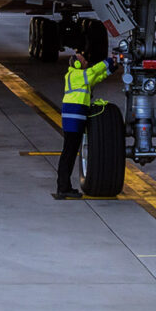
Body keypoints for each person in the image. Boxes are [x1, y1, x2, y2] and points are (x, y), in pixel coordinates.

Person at [54, 46, 111, 199]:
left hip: (75, 117)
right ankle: (63, 188)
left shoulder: (80, 77)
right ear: (77, 64)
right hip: (74, 117)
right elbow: (92, 73)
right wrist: (108, 61)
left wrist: (111, 69)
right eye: (83, 60)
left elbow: (96, 78)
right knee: (68, 153)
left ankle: (64, 187)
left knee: (70, 153)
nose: (86, 62)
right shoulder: (75, 75)